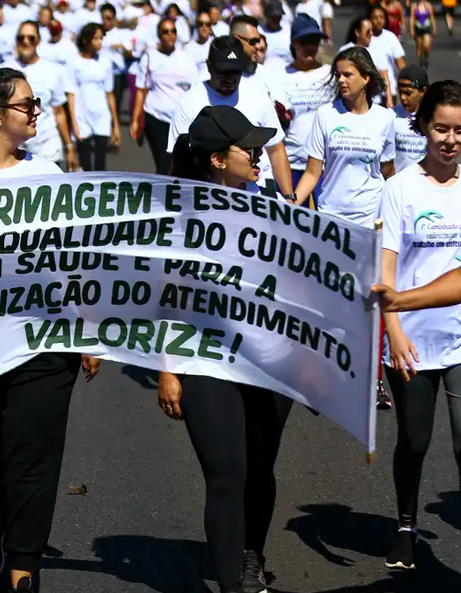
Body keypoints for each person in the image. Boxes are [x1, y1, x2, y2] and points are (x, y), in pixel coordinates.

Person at [0, 67, 99, 593]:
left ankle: (23, 570)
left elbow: (75, 257)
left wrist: (88, 331)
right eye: (28, 104)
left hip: (45, 342)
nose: (36, 111)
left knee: (34, 455)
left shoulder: (48, 174)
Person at [161, 105, 290, 593]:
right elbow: (168, 297)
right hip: (204, 358)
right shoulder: (179, 215)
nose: (259, 154)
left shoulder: (271, 202)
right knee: (226, 474)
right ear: (217, 159)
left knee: (259, 469)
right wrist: (168, 369)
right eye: (248, 147)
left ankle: (251, 552)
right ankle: (232, 587)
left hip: (269, 360)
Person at [371, 80, 461, 571]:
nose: (450, 140)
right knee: (415, 440)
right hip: (411, 341)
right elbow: (385, 276)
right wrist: (396, 330)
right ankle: (406, 526)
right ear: (424, 126)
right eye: (442, 128)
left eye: (460, 131)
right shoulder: (399, 188)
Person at [167, 37, 294, 200]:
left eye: (235, 72)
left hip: (254, 193)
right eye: (223, 72)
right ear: (209, 66)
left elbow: (276, 149)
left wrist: (289, 198)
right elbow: (179, 159)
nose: (230, 79)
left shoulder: (258, 95)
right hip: (205, 196)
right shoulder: (190, 101)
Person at [296, 46, 395, 224]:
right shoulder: (325, 114)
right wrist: (290, 203)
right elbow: (312, 173)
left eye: (347, 75)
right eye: (338, 75)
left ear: (365, 78)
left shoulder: (385, 118)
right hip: (329, 216)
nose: (341, 80)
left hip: (370, 218)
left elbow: (387, 171)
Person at [2, 22, 77, 170]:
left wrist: (69, 146)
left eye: (31, 38)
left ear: (38, 41)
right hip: (15, 148)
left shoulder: (53, 70)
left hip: (47, 145)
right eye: (21, 38)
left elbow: (59, 112)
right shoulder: (3, 70)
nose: (25, 42)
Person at [130, 17, 199, 174]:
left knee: (182, 164)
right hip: (156, 117)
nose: (170, 35)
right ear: (159, 36)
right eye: (165, 32)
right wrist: (136, 121)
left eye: (173, 31)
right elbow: (141, 91)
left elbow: (194, 90)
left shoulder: (186, 58)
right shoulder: (150, 57)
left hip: (181, 120)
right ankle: (161, 197)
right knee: (164, 163)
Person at [278, 14, 333, 207]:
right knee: (292, 224)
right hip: (292, 163)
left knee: (325, 224)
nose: (310, 47)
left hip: (325, 164)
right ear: (294, 43)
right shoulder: (280, 76)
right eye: (304, 42)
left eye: (314, 41)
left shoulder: (330, 74)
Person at [66, 23, 120, 171]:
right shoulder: (73, 62)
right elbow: (71, 94)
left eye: (101, 38)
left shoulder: (105, 62)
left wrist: (115, 125)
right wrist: (74, 122)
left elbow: (110, 94)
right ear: (85, 40)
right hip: (81, 116)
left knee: (100, 162)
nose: (99, 42)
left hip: (101, 115)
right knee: (85, 163)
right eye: (95, 38)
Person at [391, 65, 429, 173]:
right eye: (400, 92)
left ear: (422, 91)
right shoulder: (391, 116)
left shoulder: (432, 118)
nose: (402, 98)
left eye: (408, 93)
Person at [368, 6, 406, 108]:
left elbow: (400, 63)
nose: (378, 21)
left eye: (381, 17)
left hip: (389, 91)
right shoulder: (365, 38)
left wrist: (407, 81)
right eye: (374, 17)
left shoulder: (390, 37)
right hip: (370, 92)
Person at [260, 0, 291, 70]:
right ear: (267, 17)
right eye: (273, 18)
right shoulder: (260, 32)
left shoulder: (288, 32)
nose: (276, 21)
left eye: (278, 18)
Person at [410, 0, 436, 68]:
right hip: (418, 27)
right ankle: (421, 58)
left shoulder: (428, 5)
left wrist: (434, 28)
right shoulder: (414, 6)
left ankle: (426, 55)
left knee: (426, 45)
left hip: (426, 27)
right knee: (419, 45)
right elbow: (412, 17)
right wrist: (412, 29)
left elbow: (432, 17)